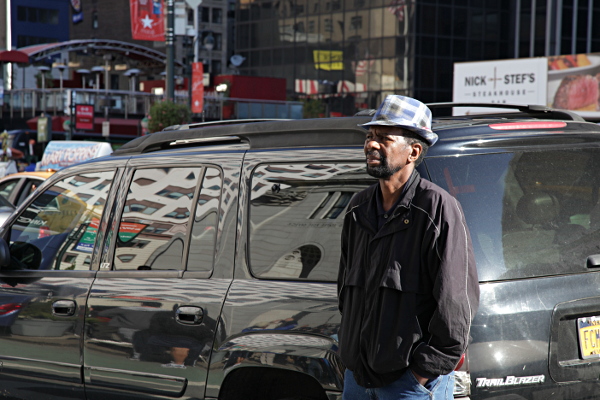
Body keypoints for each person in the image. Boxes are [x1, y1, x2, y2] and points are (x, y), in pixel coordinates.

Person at [337, 95, 480, 400]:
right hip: (357, 380)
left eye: (384, 138)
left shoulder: (438, 209)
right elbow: (344, 295)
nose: (371, 145)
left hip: (409, 385)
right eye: (369, 137)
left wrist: (422, 373)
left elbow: (456, 307)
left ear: (413, 151)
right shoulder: (357, 208)